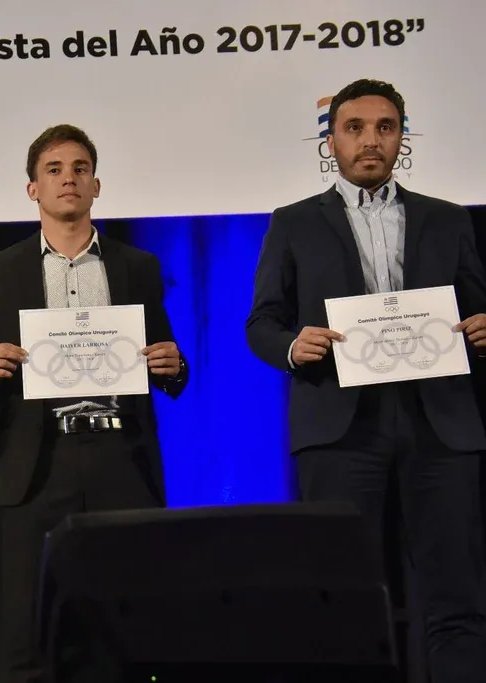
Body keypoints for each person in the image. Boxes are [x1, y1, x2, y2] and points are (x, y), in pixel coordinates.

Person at [246, 78, 486, 683]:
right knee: (338, 598)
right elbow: (261, 324)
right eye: (354, 128)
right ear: (330, 142)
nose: (370, 140)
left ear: (402, 138)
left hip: (439, 424)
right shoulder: (293, 223)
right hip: (341, 429)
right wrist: (292, 346)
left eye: (385, 127)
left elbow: (477, 307)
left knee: (457, 599)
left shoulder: (448, 219)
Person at [0, 124, 188, 683]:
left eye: (80, 169)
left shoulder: (137, 266)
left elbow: (169, 361)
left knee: (131, 618)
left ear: (96, 185)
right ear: (32, 189)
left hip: (121, 457)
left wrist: (174, 365)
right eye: (54, 170)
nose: (69, 179)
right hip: (39, 463)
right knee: (27, 625)